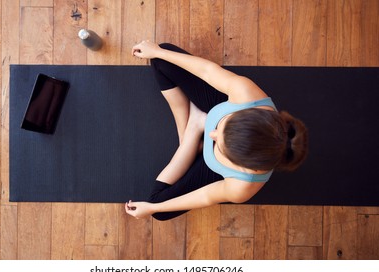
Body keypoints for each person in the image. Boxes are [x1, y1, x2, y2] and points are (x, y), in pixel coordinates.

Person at [125, 41, 308, 221]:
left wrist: (153, 207)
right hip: (215, 106)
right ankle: (190, 130)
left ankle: (193, 130)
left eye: (219, 145)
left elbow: (206, 196)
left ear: (243, 165)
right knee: (161, 57)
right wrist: (157, 52)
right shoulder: (246, 95)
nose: (211, 134)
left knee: (158, 211)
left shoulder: (242, 186)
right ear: (243, 112)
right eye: (220, 127)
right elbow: (208, 71)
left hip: (211, 146)